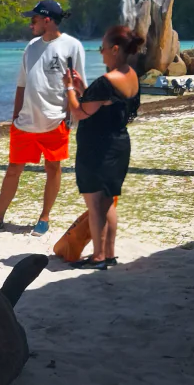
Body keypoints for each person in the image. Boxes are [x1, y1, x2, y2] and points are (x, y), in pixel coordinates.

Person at [0, 0, 86, 236]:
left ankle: (44, 217)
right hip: (24, 123)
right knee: (13, 169)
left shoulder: (72, 46)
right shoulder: (31, 47)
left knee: (53, 168)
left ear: (47, 20)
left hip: (55, 121)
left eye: (34, 20)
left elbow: (79, 85)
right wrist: (15, 116)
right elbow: (21, 84)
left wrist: (73, 117)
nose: (31, 25)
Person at [64, 23, 141, 269]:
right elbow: (107, 107)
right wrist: (83, 89)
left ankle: (98, 257)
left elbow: (79, 112)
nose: (101, 52)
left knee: (96, 205)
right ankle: (107, 254)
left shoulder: (106, 81)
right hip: (118, 144)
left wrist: (68, 89)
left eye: (103, 48)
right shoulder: (131, 75)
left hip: (97, 149)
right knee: (107, 201)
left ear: (115, 49)